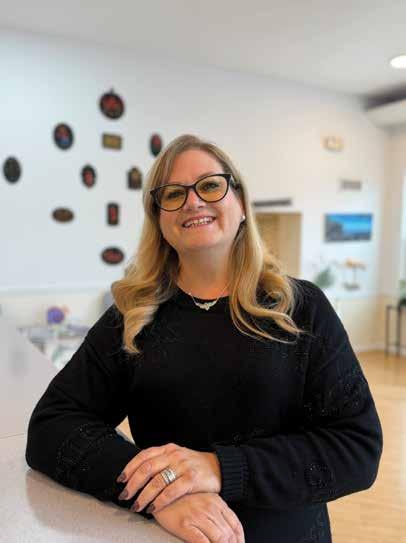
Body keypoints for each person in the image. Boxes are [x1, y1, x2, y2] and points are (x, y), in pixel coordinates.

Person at [26, 134, 383, 543]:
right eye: (173, 194)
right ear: (159, 220)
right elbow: (52, 425)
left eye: (211, 185)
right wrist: (160, 490)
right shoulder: (134, 316)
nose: (193, 201)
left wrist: (218, 468)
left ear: (241, 203)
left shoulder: (301, 308)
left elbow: (357, 449)